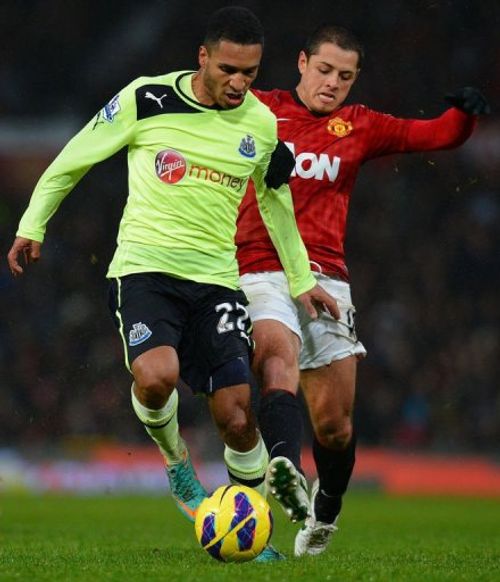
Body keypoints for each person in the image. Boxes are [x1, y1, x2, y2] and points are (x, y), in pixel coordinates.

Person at [7, 7, 339, 562]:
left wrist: (303, 281)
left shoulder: (259, 123)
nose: (239, 83)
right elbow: (73, 157)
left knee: (237, 414)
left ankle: (247, 528)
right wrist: (31, 224)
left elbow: (277, 205)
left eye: (251, 73)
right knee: (156, 376)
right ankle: (177, 463)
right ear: (203, 57)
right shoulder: (145, 99)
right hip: (145, 271)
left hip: (216, 282)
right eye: (229, 69)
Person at [236, 24, 490, 556]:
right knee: (274, 352)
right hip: (259, 267)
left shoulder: (360, 125)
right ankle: (285, 466)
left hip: (326, 278)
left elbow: (435, 135)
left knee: (334, 424)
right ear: (302, 62)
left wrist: (463, 116)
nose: (332, 83)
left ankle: (325, 509)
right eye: (325, 70)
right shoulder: (257, 110)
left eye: (345, 76)